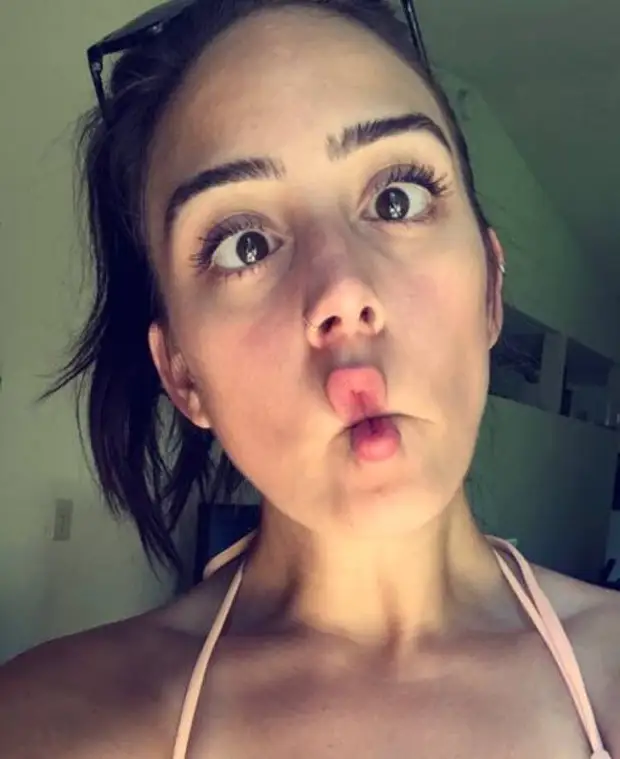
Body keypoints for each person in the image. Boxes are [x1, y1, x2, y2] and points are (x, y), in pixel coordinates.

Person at [0, 1, 618, 756]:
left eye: (396, 198)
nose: (343, 291)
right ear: (184, 374)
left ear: (490, 287)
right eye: (245, 244)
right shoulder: (46, 724)